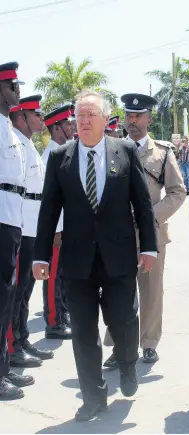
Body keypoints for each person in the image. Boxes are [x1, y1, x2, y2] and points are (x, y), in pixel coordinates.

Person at [33, 90, 158, 421]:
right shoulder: (61, 157)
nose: (84, 122)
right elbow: (48, 211)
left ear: (105, 119)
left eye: (91, 115)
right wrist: (40, 256)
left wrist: (148, 247)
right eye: (80, 116)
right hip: (77, 261)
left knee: (124, 320)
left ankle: (128, 364)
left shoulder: (125, 151)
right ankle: (93, 396)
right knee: (85, 332)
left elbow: (142, 205)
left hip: (118, 255)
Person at [103, 93, 186, 368]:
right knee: (119, 292)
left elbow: (177, 192)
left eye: (138, 116)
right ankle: (118, 345)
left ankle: (149, 343)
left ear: (149, 119)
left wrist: (151, 217)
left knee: (151, 291)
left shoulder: (162, 152)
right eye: (129, 115)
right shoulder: (110, 149)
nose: (132, 121)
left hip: (151, 233)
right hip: (119, 235)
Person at [7, 95, 54, 369]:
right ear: (22, 116)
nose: (40, 119)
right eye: (36, 114)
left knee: (25, 290)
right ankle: (12, 348)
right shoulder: (17, 145)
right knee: (16, 291)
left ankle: (21, 339)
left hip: (32, 226)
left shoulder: (29, 146)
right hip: (22, 226)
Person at [0, 62, 35, 401]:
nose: (17, 93)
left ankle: (4, 367)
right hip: (1, 218)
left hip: (13, 217)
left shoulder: (10, 131)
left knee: (7, 296)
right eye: (12, 87)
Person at [41, 104, 74, 340]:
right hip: (56, 229)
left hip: (65, 227)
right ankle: (53, 322)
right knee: (52, 277)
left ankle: (61, 313)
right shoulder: (49, 156)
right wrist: (57, 230)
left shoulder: (64, 152)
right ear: (56, 127)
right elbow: (50, 200)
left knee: (61, 274)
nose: (72, 126)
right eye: (67, 123)